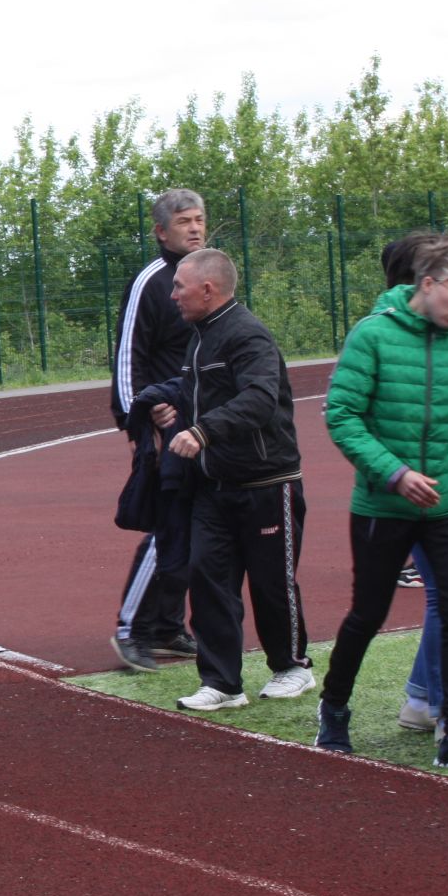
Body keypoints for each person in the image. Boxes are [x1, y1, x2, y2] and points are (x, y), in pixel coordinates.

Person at [317, 237, 448, 770]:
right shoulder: (372, 336)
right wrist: (395, 473)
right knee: (368, 613)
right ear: (427, 284)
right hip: (384, 506)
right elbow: (343, 417)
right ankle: (333, 710)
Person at [131, 249, 312, 710]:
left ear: (207, 289)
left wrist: (201, 430)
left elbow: (259, 399)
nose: (172, 295)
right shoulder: (200, 337)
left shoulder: (248, 334)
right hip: (214, 487)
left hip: (268, 483)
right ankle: (222, 683)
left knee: (272, 583)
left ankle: (292, 667)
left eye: (179, 286)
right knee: (208, 580)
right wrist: (159, 402)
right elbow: (197, 390)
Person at [109, 189, 204, 671]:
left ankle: (167, 626)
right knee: (169, 529)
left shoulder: (208, 279)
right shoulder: (150, 281)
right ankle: (131, 629)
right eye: (184, 221)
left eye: (199, 219)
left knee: (197, 527)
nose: (194, 227)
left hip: (204, 427)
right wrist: (140, 420)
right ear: (161, 231)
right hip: (164, 430)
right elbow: (129, 357)